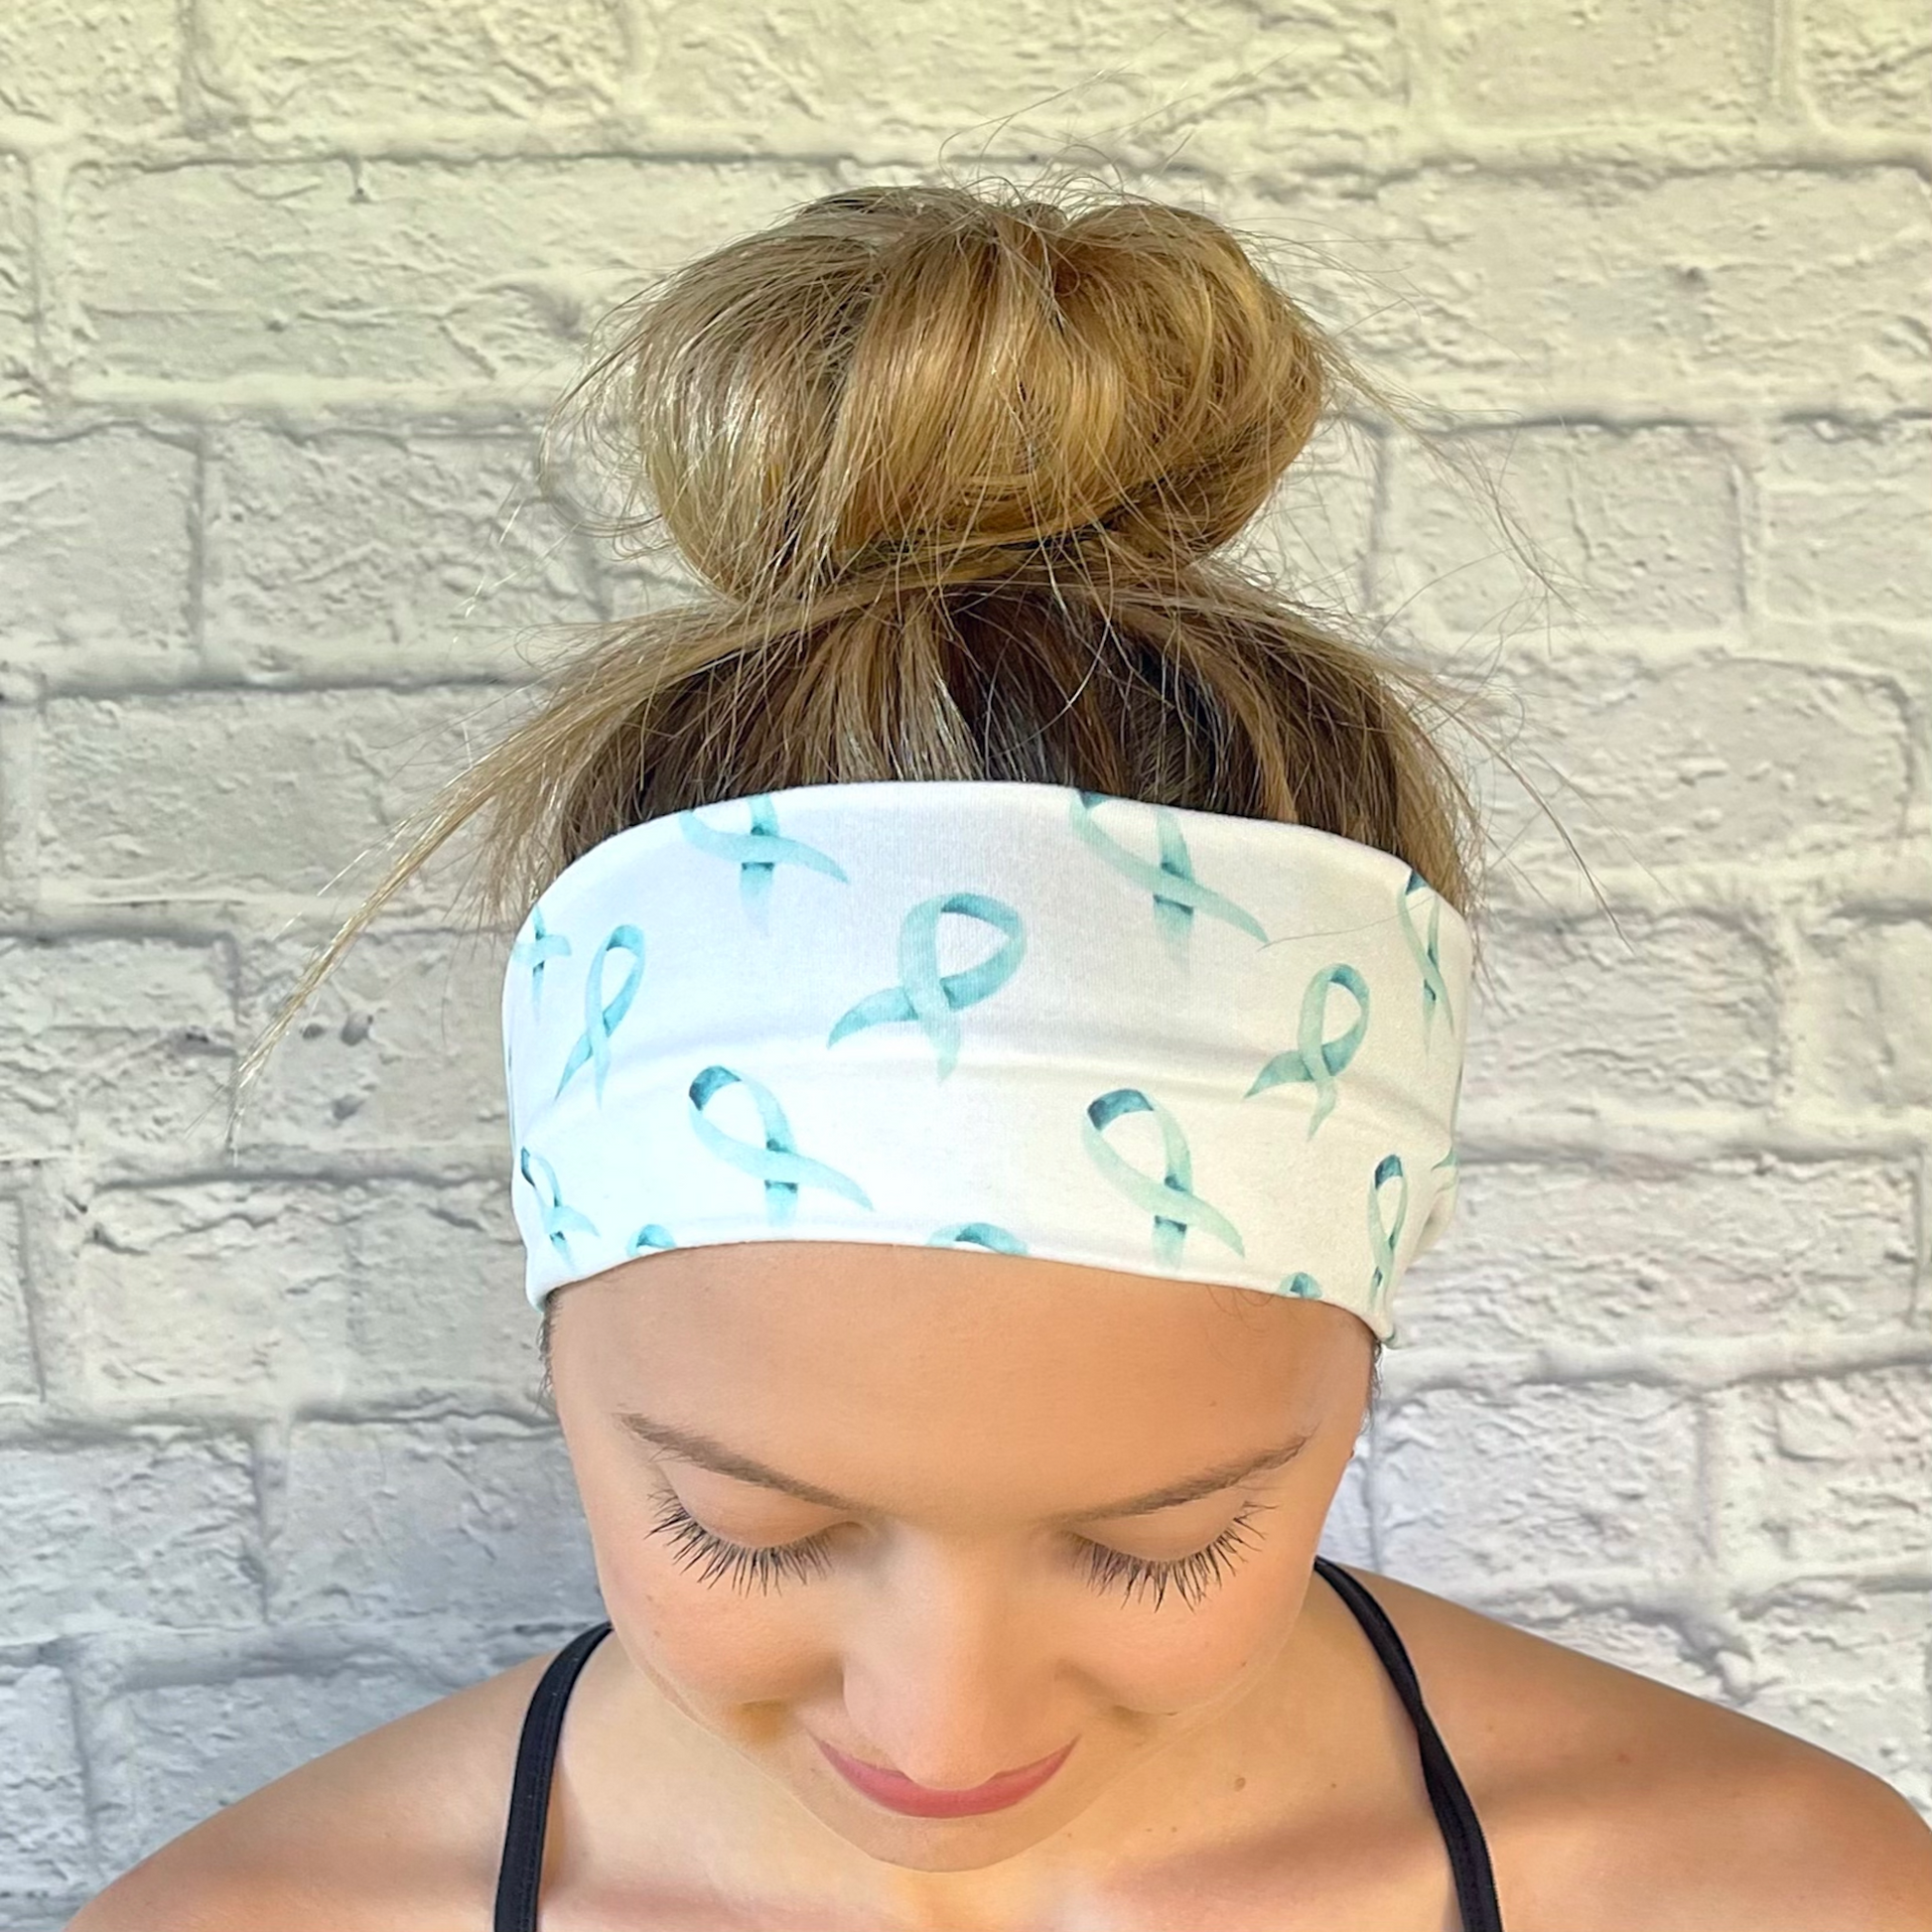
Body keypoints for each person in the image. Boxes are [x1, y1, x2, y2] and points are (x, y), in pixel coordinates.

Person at [71, 180, 1932, 1932]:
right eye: (745, 1527)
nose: (941, 1733)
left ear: (1362, 1356)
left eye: (1166, 1541)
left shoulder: (1766, 1890)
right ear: (553, 1327)